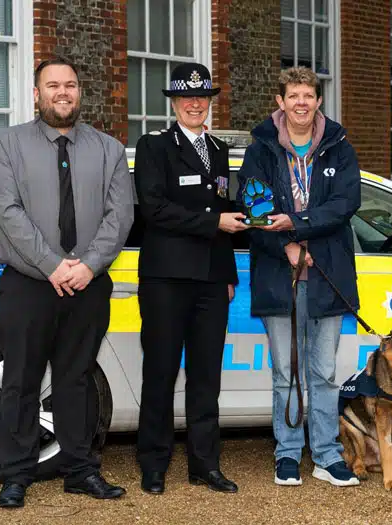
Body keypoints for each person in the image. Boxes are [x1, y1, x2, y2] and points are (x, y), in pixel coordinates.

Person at [0, 56, 134, 508]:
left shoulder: (109, 150)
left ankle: (80, 469)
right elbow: (8, 213)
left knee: (77, 379)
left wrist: (88, 266)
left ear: (79, 92)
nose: (62, 93)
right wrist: (53, 265)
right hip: (28, 283)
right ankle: (15, 474)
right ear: (37, 93)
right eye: (53, 85)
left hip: (89, 284)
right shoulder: (8, 145)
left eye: (70, 84)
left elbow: (120, 215)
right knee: (21, 379)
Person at [237, 66, 361, 488]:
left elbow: (346, 204)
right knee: (285, 372)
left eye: (308, 95)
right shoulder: (261, 149)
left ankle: (327, 454)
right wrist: (285, 246)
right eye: (294, 96)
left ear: (319, 101)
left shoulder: (339, 147)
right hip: (278, 275)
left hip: (328, 275)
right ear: (280, 101)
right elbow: (254, 209)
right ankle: (288, 453)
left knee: (324, 372)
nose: (302, 103)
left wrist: (296, 222)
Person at [132, 63, 246, 495]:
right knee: (160, 372)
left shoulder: (218, 149)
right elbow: (154, 210)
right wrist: (214, 221)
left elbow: (226, 211)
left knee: (205, 376)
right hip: (166, 278)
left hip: (212, 280)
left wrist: (229, 271)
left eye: (203, 98)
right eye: (187, 98)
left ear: (209, 103)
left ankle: (204, 463)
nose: (195, 104)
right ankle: (154, 464)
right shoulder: (153, 146)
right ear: (174, 103)